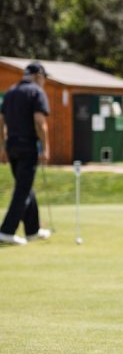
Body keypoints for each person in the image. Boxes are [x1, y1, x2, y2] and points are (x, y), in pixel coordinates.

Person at [0, 61, 52, 246]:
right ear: (38, 76)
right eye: (44, 78)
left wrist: (2, 146)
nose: (44, 82)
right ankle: (6, 231)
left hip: (12, 146)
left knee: (25, 186)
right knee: (22, 189)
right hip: (27, 146)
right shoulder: (37, 92)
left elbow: (1, 121)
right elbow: (39, 122)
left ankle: (32, 230)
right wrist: (45, 148)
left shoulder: (11, 91)